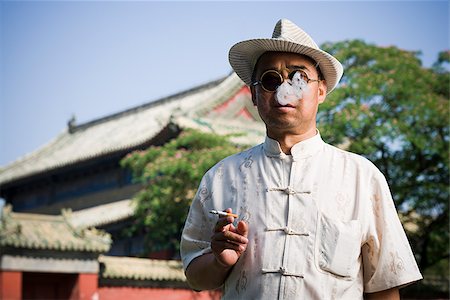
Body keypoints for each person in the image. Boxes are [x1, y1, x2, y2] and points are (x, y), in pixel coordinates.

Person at [180, 19, 422, 299]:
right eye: (270, 80)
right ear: (255, 95)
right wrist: (220, 259)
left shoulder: (362, 177)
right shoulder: (220, 177)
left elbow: (384, 286)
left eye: (298, 78)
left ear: (321, 91)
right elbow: (195, 275)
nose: (284, 91)